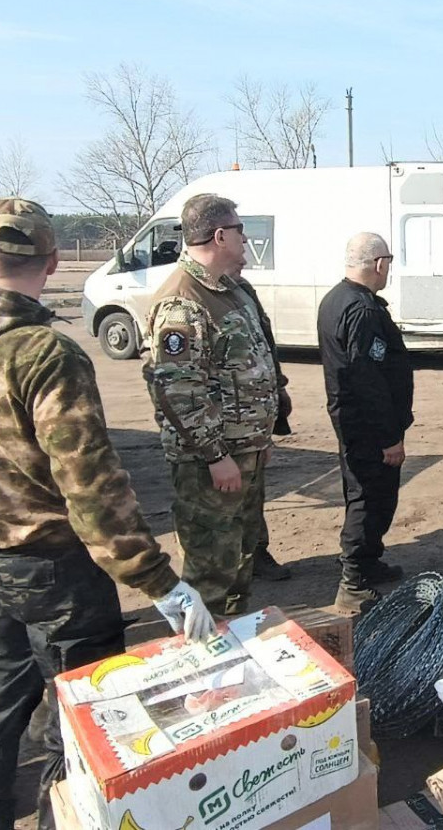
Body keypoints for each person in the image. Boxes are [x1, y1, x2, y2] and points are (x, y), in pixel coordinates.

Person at [0, 198, 212, 830]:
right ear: (52, 262)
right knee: (84, 711)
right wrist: (158, 581)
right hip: (54, 566)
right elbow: (92, 486)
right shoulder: (44, 353)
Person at [144, 193, 278, 618]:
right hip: (212, 463)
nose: (245, 241)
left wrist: (258, 440)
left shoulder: (230, 290)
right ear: (220, 236)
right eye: (241, 232)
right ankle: (204, 662)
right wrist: (216, 456)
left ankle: (232, 640)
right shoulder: (183, 302)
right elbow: (178, 392)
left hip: (244, 451)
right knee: (210, 568)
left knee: (239, 560)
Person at [318, 232, 414, 613]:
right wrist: (390, 437)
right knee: (367, 498)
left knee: (371, 494)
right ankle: (353, 581)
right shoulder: (362, 310)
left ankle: (369, 561)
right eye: (388, 261)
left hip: (354, 419)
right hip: (368, 426)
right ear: (379, 264)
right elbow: (368, 378)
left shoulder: (337, 299)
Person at [235, 279, 293, 582]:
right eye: (238, 235)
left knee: (253, 491)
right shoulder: (188, 294)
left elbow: (263, 343)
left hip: (253, 418)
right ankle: (224, 567)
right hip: (220, 425)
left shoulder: (241, 289)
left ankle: (256, 552)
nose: (246, 244)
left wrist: (277, 387)